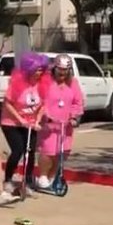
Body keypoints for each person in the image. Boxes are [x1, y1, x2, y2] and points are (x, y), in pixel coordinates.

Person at [0, 52, 49, 196]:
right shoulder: (17, 84)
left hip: (31, 123)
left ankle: (27, 182)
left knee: (31, 152)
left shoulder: (42, 85)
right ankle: (8, 179)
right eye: (37, 69)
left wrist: (38, 120)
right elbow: (7, 104)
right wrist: (20, 120)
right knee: (18, 150)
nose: (39, 72)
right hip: (11, 123)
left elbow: (43, 105)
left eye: (41, 70)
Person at [36, 54, 84, 189]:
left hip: (65, 125)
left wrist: (74, 117)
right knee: (48, 151)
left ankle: (52, 177)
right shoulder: (46, 81)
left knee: (61, 152)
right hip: (49, 124)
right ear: (54, 68)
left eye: (65, 70)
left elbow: (78, 102)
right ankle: (43, 176)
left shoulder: (73, 83)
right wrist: (46, 115)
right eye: (60, 70)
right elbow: (40, 99)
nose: (62, 73)